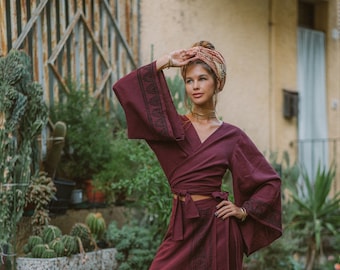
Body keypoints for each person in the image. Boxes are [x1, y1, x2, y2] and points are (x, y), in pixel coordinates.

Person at [112, 41, 282, 270]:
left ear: (217, 83)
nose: (195, 86)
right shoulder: (173, 128)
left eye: (202, 78)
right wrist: (167, 61)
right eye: (189, 80)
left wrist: (243, 211)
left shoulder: (232, 136)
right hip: (182, 227)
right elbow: (126, 88)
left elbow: (269, 182)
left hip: (218, 228)